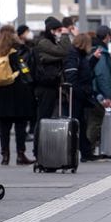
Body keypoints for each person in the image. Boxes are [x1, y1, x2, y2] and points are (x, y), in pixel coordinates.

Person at [0, 25, 36, 165]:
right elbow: (23, 71)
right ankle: (20, 155)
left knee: (4, 126)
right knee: (20, 125)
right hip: (18, 91)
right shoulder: (17, 50)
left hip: (1, 91)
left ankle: (5, 156)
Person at [32, 17, 72, 156]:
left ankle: (46, 149)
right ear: (52, 30)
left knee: (48, 118)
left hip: (52, 85)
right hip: (45, 87)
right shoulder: (44, 42)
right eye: (59, 30)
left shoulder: (50, 42)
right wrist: (66, 35)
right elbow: (65, 51)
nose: (60, 33)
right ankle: (38, 149)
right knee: (43, 118)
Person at [64, 34, 101, 162]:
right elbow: (72, 78)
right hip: (76, 97)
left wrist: (94, 59)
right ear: (85, 44)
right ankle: (78, 153)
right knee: (76, 125)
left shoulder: (80, 56)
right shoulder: (73, 56)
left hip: (81, 95)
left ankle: (86, 152)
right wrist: (81, 92)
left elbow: (85, 72)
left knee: (82, 124)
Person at [87, 25, 111, 156]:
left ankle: (88, 150)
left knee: (91, 119)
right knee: (96, 120)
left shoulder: (91, 49)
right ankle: (89, 151)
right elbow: (102, 75)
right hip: (97, 92)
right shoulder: (101, 52)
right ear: (107, 37)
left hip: (90, 89)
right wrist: (106, 95)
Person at [16, 24, 36, 141]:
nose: (29, 33)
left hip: (29, 81)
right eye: (27, 31)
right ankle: (24, 133)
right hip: (24, 81)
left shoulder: (29, 46)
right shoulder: (20, 48)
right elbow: (23, 64)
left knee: (32, 108)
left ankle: (30, 130)